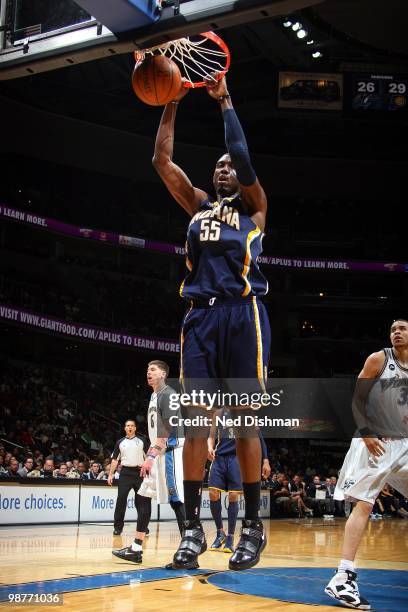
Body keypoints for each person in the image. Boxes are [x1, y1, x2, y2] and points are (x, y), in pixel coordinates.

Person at [153, 73, 270, 571]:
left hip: (243, 316)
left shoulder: (255, 209)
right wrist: (172, 100)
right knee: (197, 424)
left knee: (244, 422)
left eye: (230, 167)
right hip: (200, 320)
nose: (224, 169)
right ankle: (191, 532)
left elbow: (242, 157)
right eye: (218, 166)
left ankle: (252, 528)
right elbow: (160, 160)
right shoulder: (198, 206)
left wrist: (225, 103)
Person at [325, 319, 408, 610]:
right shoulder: (379, 359)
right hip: (375, 441)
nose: (396, 332)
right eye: (393, 329)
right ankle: (343, 576)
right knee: (365, 503)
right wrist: (366, 432)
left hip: (404, 443)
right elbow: (357, 400)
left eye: (403, 329)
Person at [207, 408, 271, 553]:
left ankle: (230, 537)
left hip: (236, 458)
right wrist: (209, 446)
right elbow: (211, 435)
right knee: (212, 493)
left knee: (233, 496)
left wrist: (265, 460)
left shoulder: (246, 411)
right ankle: (220, 533)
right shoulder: (218, 413)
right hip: (219, 458)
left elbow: (259, 437)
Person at [138, 360, 185, 536]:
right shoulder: (153, 396)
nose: (148, 372)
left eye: (153, 369)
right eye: (147, 369)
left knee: (176, 499)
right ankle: (136, 547)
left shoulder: (169, 394)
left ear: (163, 374)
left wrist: (150, 457)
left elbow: (166, 430)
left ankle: (190, 542)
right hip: (158, 452)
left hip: (171, 452)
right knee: (143, 495)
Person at [110, 420, 151, 563]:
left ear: (135, 428)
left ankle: (143, 528)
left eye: (132, 426)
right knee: (121, 499)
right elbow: (115, 460)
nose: (130, 428)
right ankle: (117, 527)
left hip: (140, 472)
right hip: (125, 472)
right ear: (124, 428)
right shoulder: (120, 442)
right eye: (127, 425)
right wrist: (110, 474)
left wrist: (149, 472)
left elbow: (149, 456)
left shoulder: (142, 440)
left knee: (142, 502)